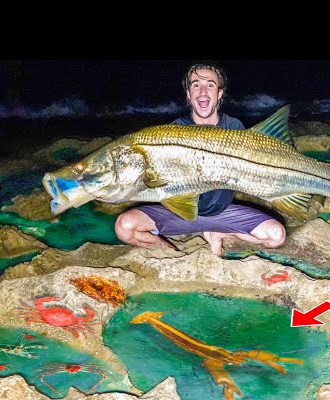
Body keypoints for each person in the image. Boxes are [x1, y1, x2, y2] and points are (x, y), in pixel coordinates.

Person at [114, 62, 286, 256]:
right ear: (188, 94)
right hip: (178, 214)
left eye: (210, 85)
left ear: (219, 94)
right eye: (196, 85)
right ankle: (171, 252)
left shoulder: (234, 127)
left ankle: (216, 232)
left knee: (276, 236)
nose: (202, 91)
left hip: (222, 213)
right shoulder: (173, 131)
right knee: (124, 227)